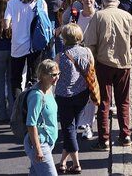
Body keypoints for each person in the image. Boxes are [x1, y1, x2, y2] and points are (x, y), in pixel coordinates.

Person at [83, 0, 132, 147]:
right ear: (118, 2)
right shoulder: (126, 16)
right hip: (123, 64)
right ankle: (125, 135)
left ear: (103, 2)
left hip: (104, 63)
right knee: (123, 101)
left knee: (104, 102)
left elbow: (90, 42)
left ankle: (104, 139)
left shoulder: (98, 16)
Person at [52, 25, 92, 175]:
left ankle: (76, 164)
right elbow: (91, 70)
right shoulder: (87, 52)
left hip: (64, 97)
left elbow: (54, 78)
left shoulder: (60, 56)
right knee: (72, 128)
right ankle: (62, 162)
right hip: (82, 94)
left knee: (68, 129)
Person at [24, 59, 61, 176]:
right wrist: (38, 149)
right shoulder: (37, 96)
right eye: (53, 75)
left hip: (48, 141)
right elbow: (31, 123)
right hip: (40, 144)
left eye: (58, 74)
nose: (57, 77)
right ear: (43, 76)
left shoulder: (49, 89)